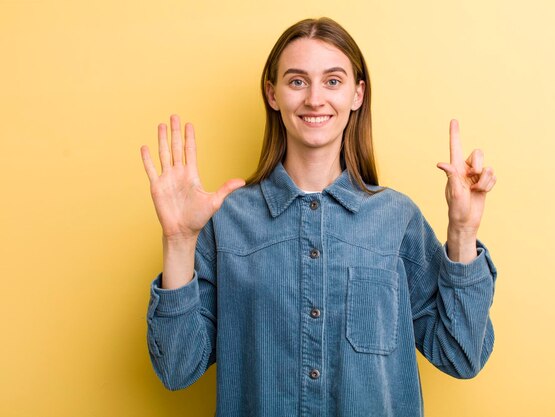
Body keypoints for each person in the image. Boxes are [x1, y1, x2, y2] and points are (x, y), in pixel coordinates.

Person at [140, 17, 497, 417]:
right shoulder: (227, 221)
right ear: (272, 94)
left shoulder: (397, 219)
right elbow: (176, 368)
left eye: (332, 81)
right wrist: (178, 241)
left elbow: (462, 354)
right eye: (296, 81)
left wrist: (463, 232)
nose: (314, 99)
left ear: (357, 94)